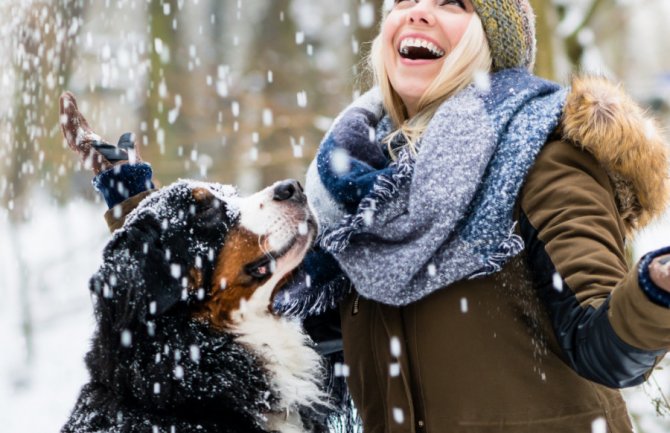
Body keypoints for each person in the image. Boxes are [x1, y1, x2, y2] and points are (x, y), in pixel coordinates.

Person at [60, 0, 670, 432]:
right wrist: (141, 213)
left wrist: (654, 291)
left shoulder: (542, 157)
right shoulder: (359, 184)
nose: (418, 10)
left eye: (451, 1)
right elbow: (259, 312)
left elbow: (606, 348)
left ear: (490, 42)